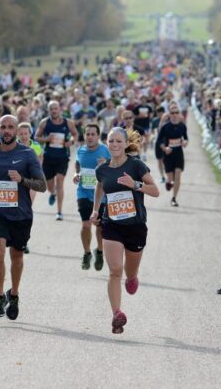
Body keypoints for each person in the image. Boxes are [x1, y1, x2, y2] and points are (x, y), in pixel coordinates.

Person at [0, 115, 46, 320]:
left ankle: (13, 295)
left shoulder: (27, 153)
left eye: (10, 127)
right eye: (3, 127)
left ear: (16, 130)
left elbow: (41, 185)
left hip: (21, 214)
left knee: (16, 256)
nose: (6, 131)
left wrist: (22, 179)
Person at [90, 127, 159, 334]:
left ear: (125, 143)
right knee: (114, 271)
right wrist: (95, 210)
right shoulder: (102, 169)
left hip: (135, 226)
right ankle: (117, 314)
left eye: (119, 141)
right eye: (111, 141)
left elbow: (155, 190)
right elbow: (100, 187)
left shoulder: (136, 165)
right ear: (107, 143)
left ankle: (132, 277)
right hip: (112, 225)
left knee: (129, 273)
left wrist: (135, 184)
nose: (114, 145)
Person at [72, 123, 111, 271]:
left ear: (98, 136)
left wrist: (106, 164)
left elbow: (114, 166)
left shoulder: (105, 151)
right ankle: (87, 252)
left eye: (92, 134)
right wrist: (76, 174)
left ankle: (99, 251)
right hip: (83, 192)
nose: (89, 137)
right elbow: (77, 163)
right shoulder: (81, 150)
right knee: (86, 224)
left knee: (100, 226)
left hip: (101, 195)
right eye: (87, 134)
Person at [35, 101, 78, 220]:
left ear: (60, 109)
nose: (54, 111)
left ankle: (59, 212)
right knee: (50, 186)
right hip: (48, 158)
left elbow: (75, 134)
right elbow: (36, 137)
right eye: (51, 109)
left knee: (59, 181)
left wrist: (71, 141)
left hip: (62, 157)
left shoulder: (68, 122)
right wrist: (46, 139)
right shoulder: (44, 122)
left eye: (56, 108)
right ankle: (52, 193)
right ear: (49, 111)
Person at [156, 104, 188, 206]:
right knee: (170, 178)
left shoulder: (182, 126)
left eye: (176, 112)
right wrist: (164, 148)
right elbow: (159, 141)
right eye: (172, 113)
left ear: (179, 114)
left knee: (178, 175)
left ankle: (174, 198)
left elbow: (186, 138)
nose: (174, 115)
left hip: (178, 153)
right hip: (168, 154)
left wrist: (185, 142)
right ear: (169, 114)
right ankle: (168, 182)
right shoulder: (166, 126)